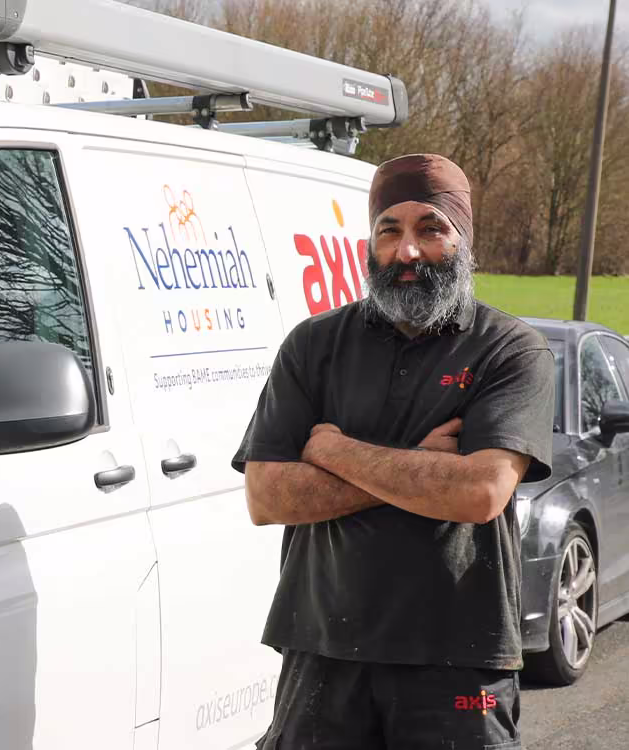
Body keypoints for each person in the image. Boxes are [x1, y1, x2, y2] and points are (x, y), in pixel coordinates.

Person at [233, 153, 557, 749]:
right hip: (321, 648)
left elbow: (478, 492)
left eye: (430, 228)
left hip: (460, 653)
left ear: (461, 238)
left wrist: (333, 450)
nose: (407, 252)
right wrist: (418, 460)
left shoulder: (510, 350)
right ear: (371, 240)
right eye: (390, 230)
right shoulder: (314, 345)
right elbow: (267, 496)